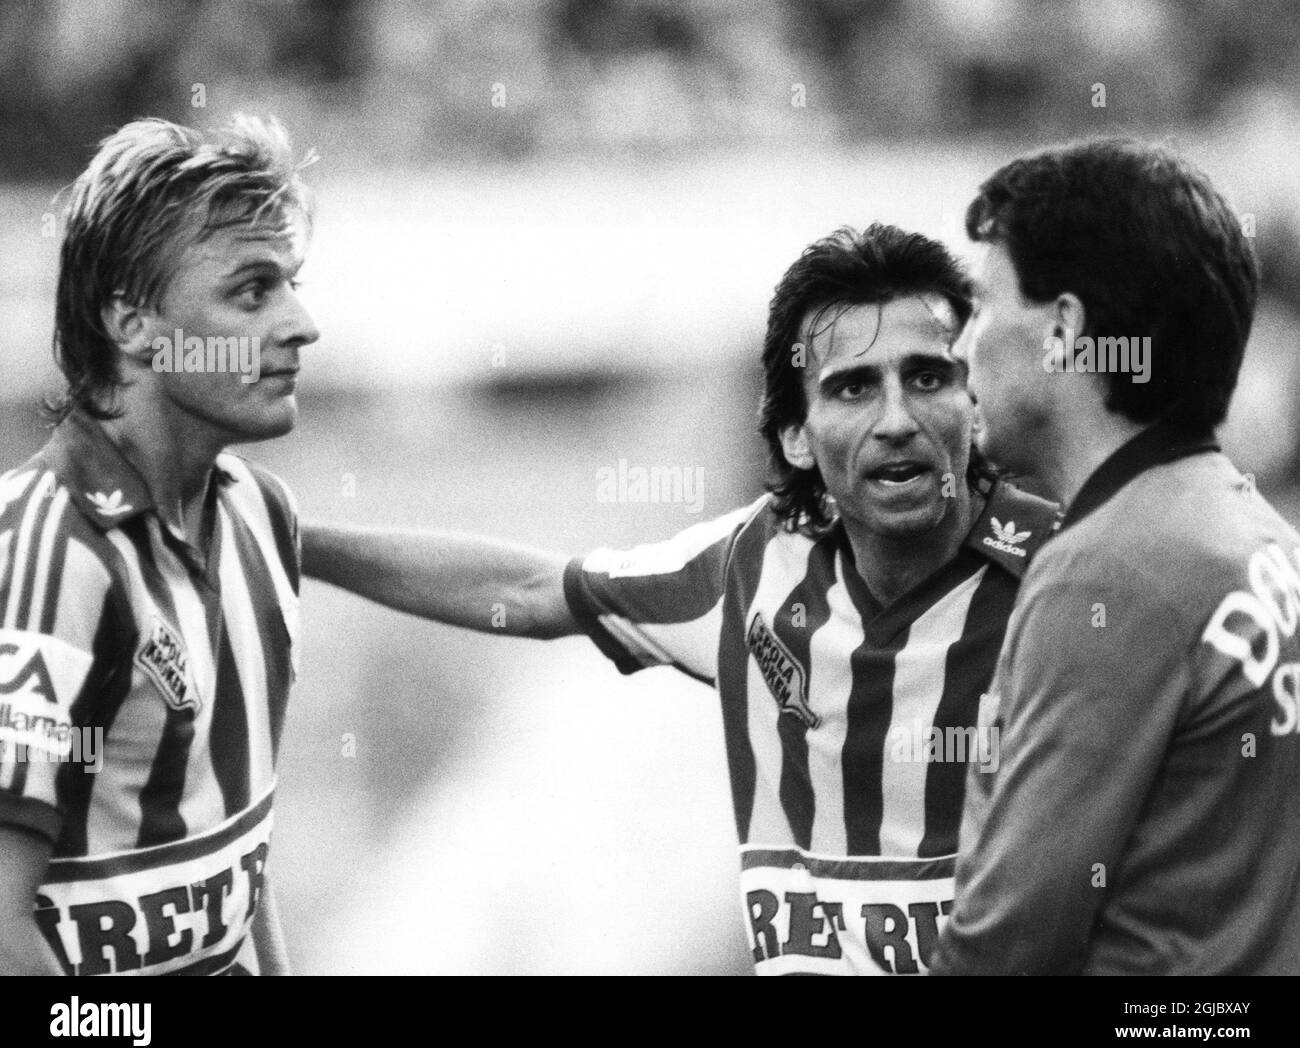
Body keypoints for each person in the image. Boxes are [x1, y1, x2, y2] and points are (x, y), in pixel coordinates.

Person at [303, 223, 1060, 975]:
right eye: (854, 388)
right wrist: (290, 538)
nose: (897, 421)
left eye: (928, 377)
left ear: (975, 399)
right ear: (796, 436)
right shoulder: (751, 568)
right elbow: (529, 591)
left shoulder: (1065, 574)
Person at [930, 137, 1300, 975]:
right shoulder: (1263, 539)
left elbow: (1004, 949)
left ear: (1064, 331)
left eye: (982, 308)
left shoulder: (1112, 570)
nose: (960, 350)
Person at [0, 115, 319, 975]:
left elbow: (238, 860)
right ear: (133, 323)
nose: (301, 324)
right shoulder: (53, 552)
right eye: (252, 293)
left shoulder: (261, 515)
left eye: (291, 284)